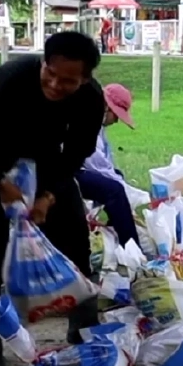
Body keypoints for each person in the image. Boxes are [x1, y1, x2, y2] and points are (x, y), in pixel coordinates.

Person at [0, 31, 105, 366]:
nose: (55, 84)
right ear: (43, 63)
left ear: (84, 79)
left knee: (73, 238)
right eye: (50, 74)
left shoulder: (90, 99)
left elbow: (77, 151)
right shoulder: (9, 80)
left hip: (47, 164)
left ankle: (84, 331)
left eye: (68, 81)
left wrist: (48, 196)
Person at [74, 82, 139, 247]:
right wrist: (124, 188)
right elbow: (96, 164)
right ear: (108, 108)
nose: (116, 121)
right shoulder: (88, 118)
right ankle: (132, 247)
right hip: (66, 171)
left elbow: (105, 162)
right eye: (116, 115)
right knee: (114, 190)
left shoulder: (96, 121)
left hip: (76, 166)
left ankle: (116, 232)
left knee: (117, 181)